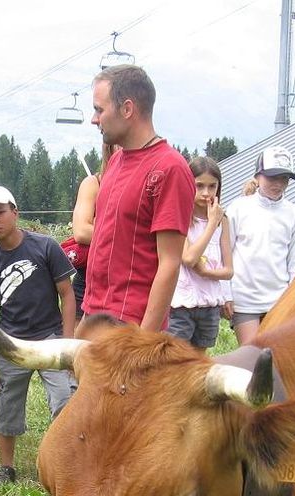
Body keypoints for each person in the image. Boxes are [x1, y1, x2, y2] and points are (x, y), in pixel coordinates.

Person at [0, 185, 76, 490]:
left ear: (15, 212)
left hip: (50, 341)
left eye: (0, 213)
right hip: (11, 346)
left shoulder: (46, 247)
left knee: (64, 402)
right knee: (7, 406)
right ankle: (6, 468)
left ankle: (67, 462)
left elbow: (67, 296)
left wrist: (68, 345)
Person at [81, 64, 195, 331]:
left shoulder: (170, 168)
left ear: (127, 109)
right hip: (94, 319)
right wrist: (86, 320)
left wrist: (143, 343)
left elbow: (170, 262)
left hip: (130, 328)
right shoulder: (117, 160)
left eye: (99, 109)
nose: (94, 119)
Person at [225, 146, 295, 346]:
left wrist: (292, 301)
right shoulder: (238, 208)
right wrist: (226, 294)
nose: (278, 184)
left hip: (279, 302)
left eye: (284, 179)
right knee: (251, 359)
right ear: (258, 176)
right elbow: (224, 254)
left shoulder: (294, 215)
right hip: (244, 300)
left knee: (275, 360)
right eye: (272, 178)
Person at [168, 156, 233, 350]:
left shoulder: (224, 221)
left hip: (209, 304)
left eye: (212, 186)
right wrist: (211, 225)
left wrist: (205, 272)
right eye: (199, 186)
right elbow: (188, 258)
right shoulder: (182, 217)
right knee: (174, 360)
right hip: (181, 304)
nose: (206, 193)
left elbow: (229, 270)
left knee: (199, 362)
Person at [69, 143, 116, 318]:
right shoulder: (93, 183)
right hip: (90, 279)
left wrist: (98, 226)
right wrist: (126, 233)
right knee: (81, 342)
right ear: (109, 149)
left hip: (129, 284)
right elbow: (81, 231)